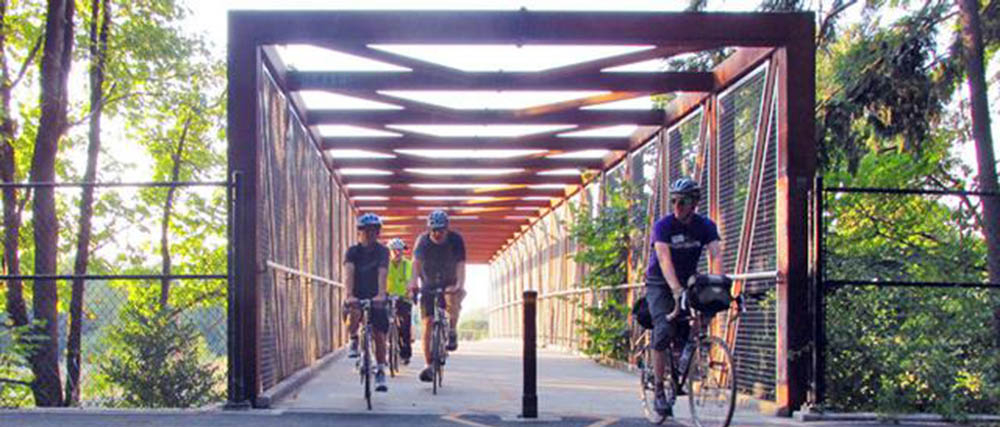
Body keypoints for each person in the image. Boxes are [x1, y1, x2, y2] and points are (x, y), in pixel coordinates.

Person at [645, 178, 722, 417]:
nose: (677, 206)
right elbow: (664, 259)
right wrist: (676, 290)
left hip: (688, 278)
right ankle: (659, 390)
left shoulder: (705, 226)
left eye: (683, 201)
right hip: (660, 281)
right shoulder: (663, 226)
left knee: (707, 310)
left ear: (694, 203)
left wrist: (718, 283)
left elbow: (716, 255)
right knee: (664, 329)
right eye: (674, 201)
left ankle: (687, 350)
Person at [407, 209, 467, 383]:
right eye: (434, 230)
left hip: (450, 279)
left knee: (452, 299)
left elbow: (461, 265)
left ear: (447, 229)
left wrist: (459, 285)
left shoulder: (456, 240)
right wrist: (413, 283)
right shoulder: (423, 241)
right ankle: (429, 365)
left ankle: (452, 330)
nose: (437, 233)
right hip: (429, 281)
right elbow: (416, 264)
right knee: (427, 323)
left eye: (441, 230)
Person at [344, 212, 391, 392]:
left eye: (373, 231)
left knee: (379, 334)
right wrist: (349, 295)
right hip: (357, 292)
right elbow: (349, 273)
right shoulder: (352, 252)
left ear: (378, 233)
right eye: (366, 230)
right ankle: (354, 339)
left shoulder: (382, 251)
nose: (370, 234)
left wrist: (381, 295)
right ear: (360, 232)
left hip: (375, 294)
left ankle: (380, 370)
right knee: (353, 311)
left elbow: (382, 273)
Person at [386, 237, 414, 365]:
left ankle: (405, 354)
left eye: (400, 250)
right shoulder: (385, 264)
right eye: (394, 250)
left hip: (403, 297)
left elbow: (409, 280)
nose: (398, 253)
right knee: (383, 323)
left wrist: (409, 292)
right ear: (390, 251)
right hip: (387, 296)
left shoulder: (407, 264)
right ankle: (386, 350)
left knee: (405, 326)